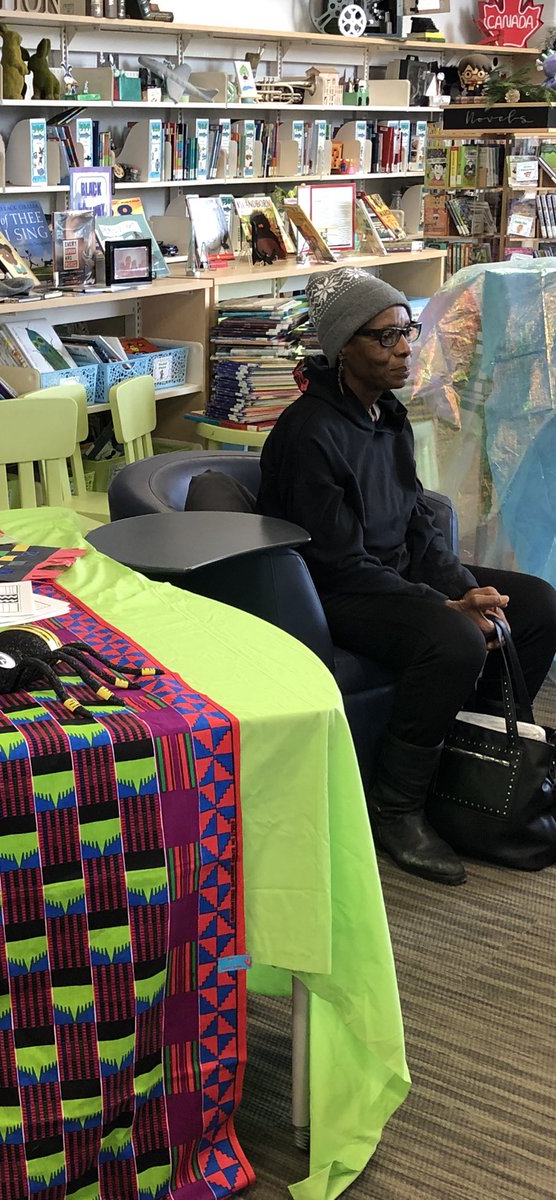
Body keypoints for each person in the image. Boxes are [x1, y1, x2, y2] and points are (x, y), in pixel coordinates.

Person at [254, 266, 556, 885]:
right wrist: (443, 608)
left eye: (407, 331)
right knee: (453, 637)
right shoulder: (309, 433)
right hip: (334, 593)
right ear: (343, 348)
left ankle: (479, 756)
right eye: (385, 337)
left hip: (390, 577)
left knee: (535, 603)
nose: (404, 349)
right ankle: (396, 808)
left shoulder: (385, 416)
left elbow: (418, 526)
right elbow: (339, 563)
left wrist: (461, 586)